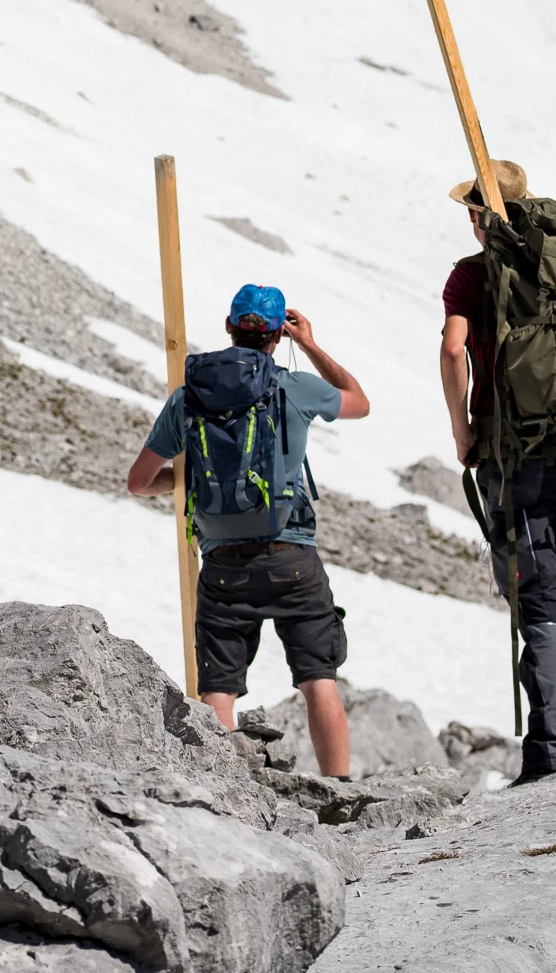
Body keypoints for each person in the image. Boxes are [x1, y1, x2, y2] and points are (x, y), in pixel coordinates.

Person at [124, 284, 370, 777]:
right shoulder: (293, 387)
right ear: (278, 335)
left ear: (229, 327)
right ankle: (340, 791)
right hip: (291, 555)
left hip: (222, 566)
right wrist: (312, 346)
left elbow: (138, 481)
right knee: (318, 675)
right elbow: (359, 403)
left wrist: (188, 479)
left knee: (219, 685)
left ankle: (221, 791)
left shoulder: (188, 395)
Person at [439, 160, 556, 782]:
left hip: (512, 458)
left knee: (538, 605)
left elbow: (455, 349)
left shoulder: (471, 276)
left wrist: (464, 432)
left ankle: (549, 758)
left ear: (481, 216)